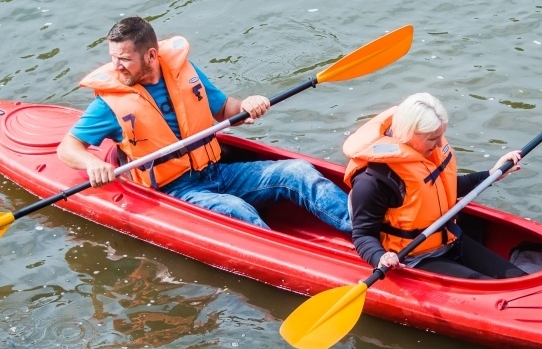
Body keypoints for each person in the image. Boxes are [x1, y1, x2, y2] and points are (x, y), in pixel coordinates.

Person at [57, 16, 351, 232]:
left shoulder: (184, 72)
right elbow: (68, 148)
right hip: (177, 191)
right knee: (236, 210)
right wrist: (91, 163)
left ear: (151, 55)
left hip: (216, 171)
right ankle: (298, 263)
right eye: (113, 59)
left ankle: (366, 233)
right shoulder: (109, 103)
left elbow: (224, 109)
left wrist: (246, 106)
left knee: (297, 171)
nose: (116, 67)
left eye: (124, 59)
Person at [343, 92, 527, 280]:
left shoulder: (427, 152)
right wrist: (380, 257)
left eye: (441, 136)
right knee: (488, 289)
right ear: (409, 133)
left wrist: (491, 175)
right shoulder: (373, 181)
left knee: (518, 277)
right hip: (415, 257)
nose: (439, 144)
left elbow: (446, 187)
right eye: (432, 139)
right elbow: (363, 235)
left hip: (452, 239)